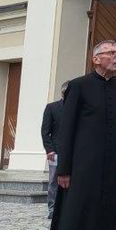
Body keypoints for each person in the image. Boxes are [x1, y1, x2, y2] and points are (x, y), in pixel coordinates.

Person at [41, 40, 116, 230]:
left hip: (113, 168)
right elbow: (66, 130)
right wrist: (64, 169)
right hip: (83, 168)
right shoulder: (78, 86)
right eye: (112, 53)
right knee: (78, 219)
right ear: (96, 59)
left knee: (107, 218)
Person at [40, 83, 67, 219]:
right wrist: (49, 150)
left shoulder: (78, 109)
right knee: (54, 181)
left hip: (73, 152)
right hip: (55, 152)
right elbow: (45, 131)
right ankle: (53, 208)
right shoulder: (52, 108)